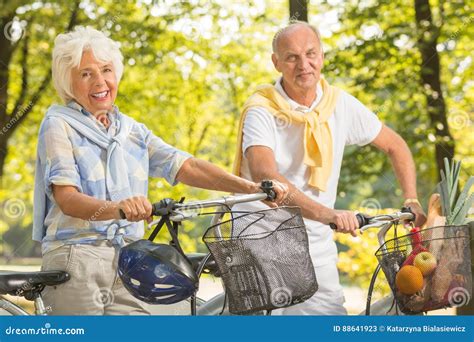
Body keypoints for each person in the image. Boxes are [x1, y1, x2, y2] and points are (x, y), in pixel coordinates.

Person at [32, 26, 288, 315]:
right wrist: (118, 207)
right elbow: (67, 198)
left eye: (106, 70)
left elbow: (186, 165)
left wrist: (250, 188)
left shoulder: (131, 131)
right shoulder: (58, 124)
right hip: (77, 256)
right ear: (68, 83)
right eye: (86, 73)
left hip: (129, 257)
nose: (100, 81)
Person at [232, 21, 427, 315]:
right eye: (292, 57)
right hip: (261, 236)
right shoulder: (261, 109)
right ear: (276, 63)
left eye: (311, 54)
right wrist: (327, 214)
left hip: (316, 239)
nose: (304, 65)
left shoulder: (339, 104)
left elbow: (395, 145)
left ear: (322, 55)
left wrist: (411, 198)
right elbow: (265, 176)